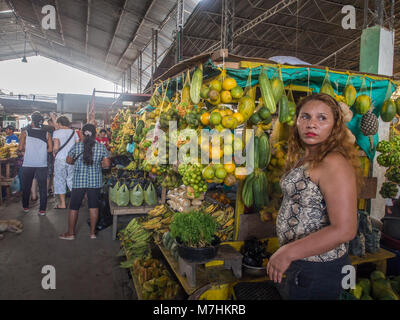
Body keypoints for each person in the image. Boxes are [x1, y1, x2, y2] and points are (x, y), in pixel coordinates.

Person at [267, 93, 362, 300]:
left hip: (317, 270)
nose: (311, 124)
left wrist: (287, 253)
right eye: (305, 116)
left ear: (335, 126)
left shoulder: (333, 162)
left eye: (322, 118)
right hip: (301, 265)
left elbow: (345, 229)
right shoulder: (308, 157)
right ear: (297, 121)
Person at [59, 124, 110, 240]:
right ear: (95, 134)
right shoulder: (101, 147)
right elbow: (107, 164)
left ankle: (71, 233)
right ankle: (92, 233)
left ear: (82, 134)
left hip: (78, 181)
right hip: (95, 181)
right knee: (93, 206)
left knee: (74, 207)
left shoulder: (77, 146)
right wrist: (98, 165)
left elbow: (69, 160)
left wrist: (75, 164)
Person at [18, 112, 53, 215]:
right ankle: (42, 210)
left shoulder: (25, 132)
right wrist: (41, 152)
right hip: (42, 163)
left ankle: (25, 207)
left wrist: (25, 150)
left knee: (26, 186)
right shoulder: (47, 134)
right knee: (42, 188)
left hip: (28, 163)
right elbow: (50, 149)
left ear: (32, 122)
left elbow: (20, 148)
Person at [52, 116, 79, 209]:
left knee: (60, 179)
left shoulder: (56, 132)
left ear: (59, 123)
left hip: (60, 159)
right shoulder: (73, 132)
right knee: (71, 179)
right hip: (71, 159)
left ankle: (62, 204)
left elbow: (56, 147)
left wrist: (54, 152)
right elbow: (77, 145)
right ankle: (76, 201)